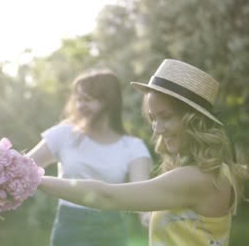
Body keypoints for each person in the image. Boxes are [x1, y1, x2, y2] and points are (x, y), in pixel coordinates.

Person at [39, 59, 248, 246]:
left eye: (166, 116)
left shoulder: (195, 178)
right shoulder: (217, 172)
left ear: (194, 120)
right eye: (153, 118)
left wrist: (35, 179)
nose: (156, 129)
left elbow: (106, 196)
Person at [27, 70, 152, 246]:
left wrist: (149, 219)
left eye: (88, 99)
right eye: (78, 99)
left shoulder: (133, 146)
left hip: (112, 233)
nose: (80, 106)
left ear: (109, 101)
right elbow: (21, 169)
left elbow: (142, 195)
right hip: (69, 230)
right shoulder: (63, 135)